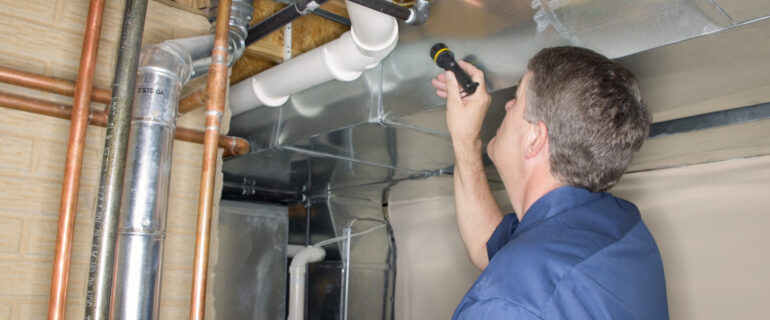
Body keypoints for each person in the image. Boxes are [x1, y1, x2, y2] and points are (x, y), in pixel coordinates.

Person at [430, 46, 668, 319]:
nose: (506, 105)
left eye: (516, 98)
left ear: (534, 139)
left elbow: (523, 284)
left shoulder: (506, 304)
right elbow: (485, 242)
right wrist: (465, 139)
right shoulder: (621, 224)